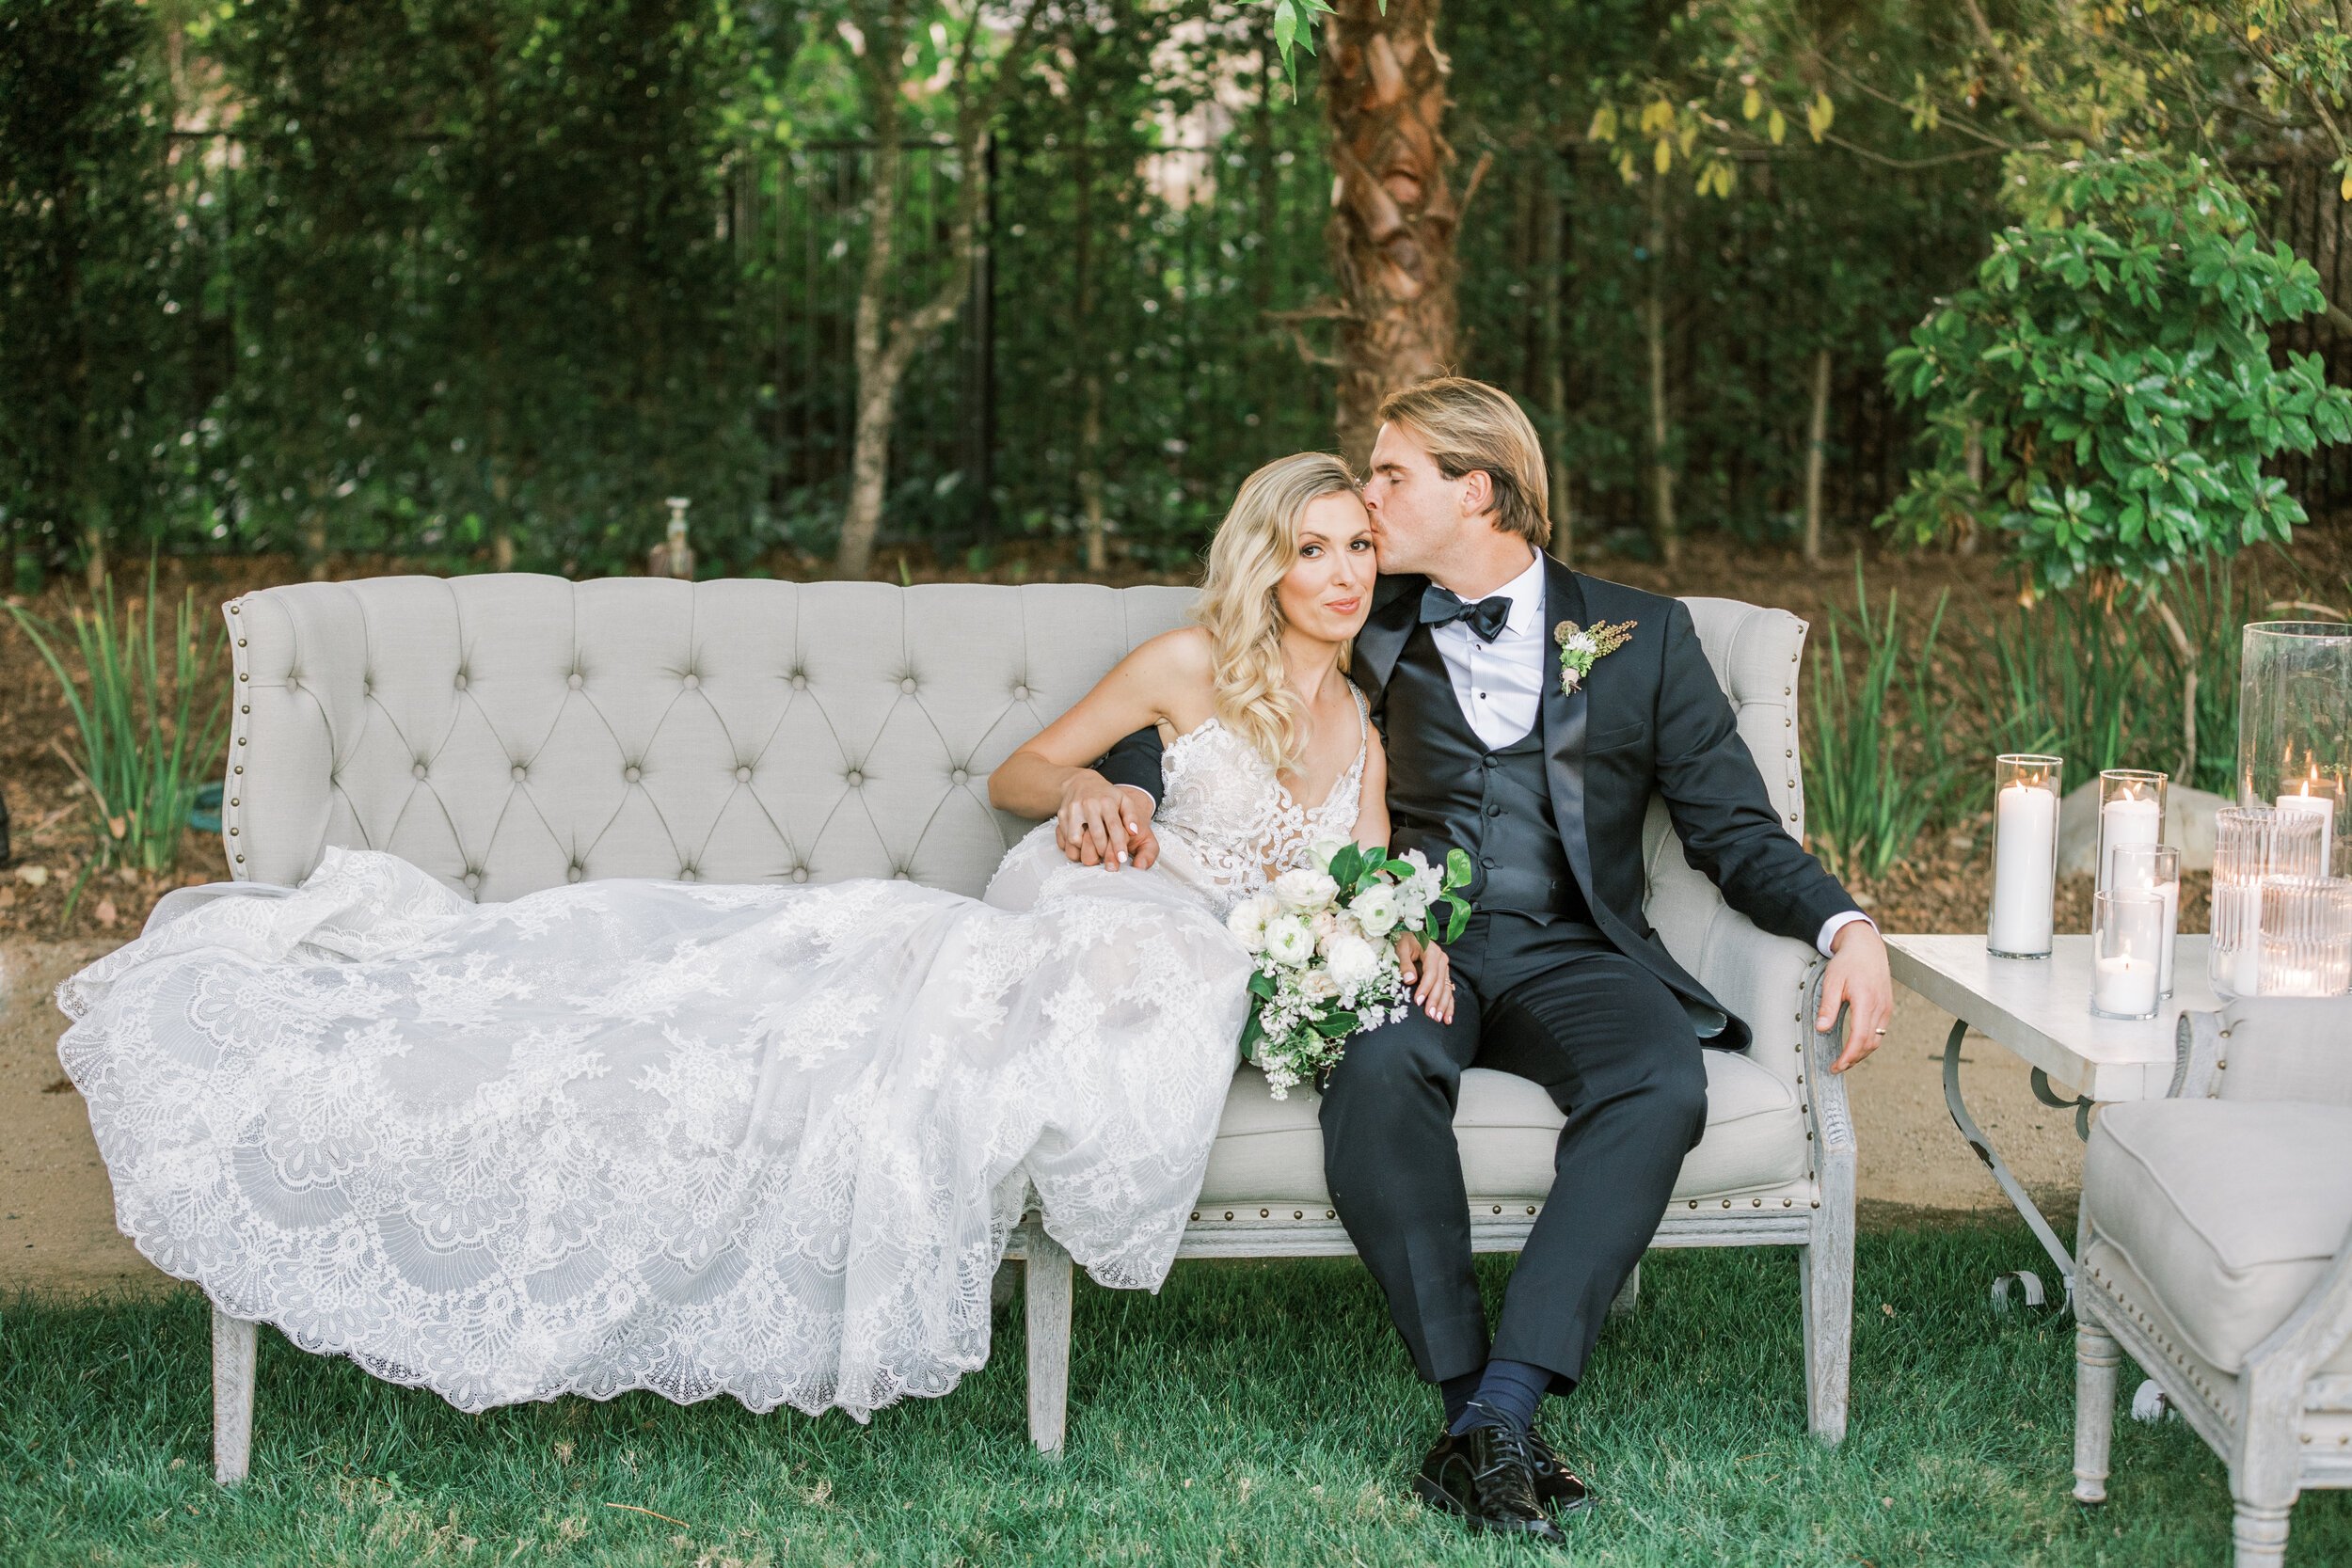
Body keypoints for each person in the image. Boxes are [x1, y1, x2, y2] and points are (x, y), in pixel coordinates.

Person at [54, 452, 1451, 1427]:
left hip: (1207, 954)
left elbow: (1364, 883)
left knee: (1141, 994)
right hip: (1106, 915)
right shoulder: (1188, 664)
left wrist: (1398, 940)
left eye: (1356, 547)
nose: (1337, 572)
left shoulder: (1364, 729)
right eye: (1311, 547)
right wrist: (1094, 786)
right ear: (1267, 563)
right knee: (791, 1016)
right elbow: (1018, 775)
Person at [1077, 377, 1896, 1545]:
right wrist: (1112, 781)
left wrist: (1844, 924)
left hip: (1578, 948)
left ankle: (1503, 1406)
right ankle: (1474, 1403)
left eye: (1390, 475)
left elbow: (1732, 828)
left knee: (1659, 1078)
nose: (1365, 500)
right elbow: (1216, 697)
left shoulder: (1641, 632)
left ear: (1476, 489)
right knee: (1375, 1069)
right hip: (1412, 945)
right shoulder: (1361, 608)